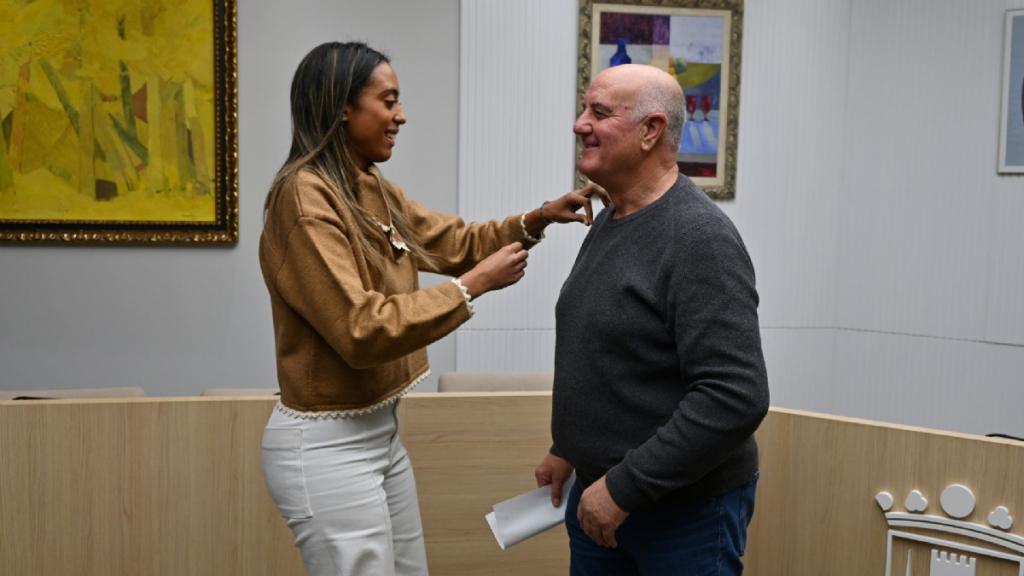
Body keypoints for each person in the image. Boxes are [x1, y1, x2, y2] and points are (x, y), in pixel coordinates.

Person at [259, 41, 603, 576]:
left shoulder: (367, 185)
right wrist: (471, 288)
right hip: (327, 447)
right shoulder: (304, 198)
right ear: (343, 107)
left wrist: (537, 218)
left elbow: (453, 240)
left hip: (379, 432)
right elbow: (361, 329)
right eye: (388, 101)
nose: (401, 115)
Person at [534, 64, 769, 575]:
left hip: (681, 514)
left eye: (599, 112)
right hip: (601, 495)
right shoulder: (613, 218)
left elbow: (734, 395)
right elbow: (612, 353)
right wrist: (568, 448)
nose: (579, 124)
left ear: (651, 131)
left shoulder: (700, 238)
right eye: (584, 109)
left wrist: (625, 486)